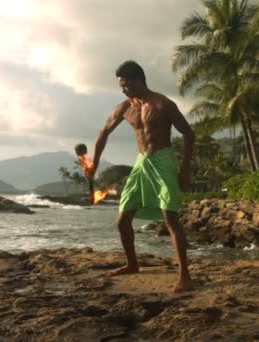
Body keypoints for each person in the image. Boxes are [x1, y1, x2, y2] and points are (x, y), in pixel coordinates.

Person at [85, 60, 194, 293]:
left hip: (163, 160)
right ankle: (132, 264)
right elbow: (103, 132)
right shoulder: (125, 107)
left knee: (170, 218)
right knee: (122, 220)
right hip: (141, 162)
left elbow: (188, 133)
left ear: (138, 80)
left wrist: (184, 169)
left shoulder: (163, 104)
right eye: (121, 86)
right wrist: (94, 162)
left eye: (126, 85)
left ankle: (185, 275)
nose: (123, 89)